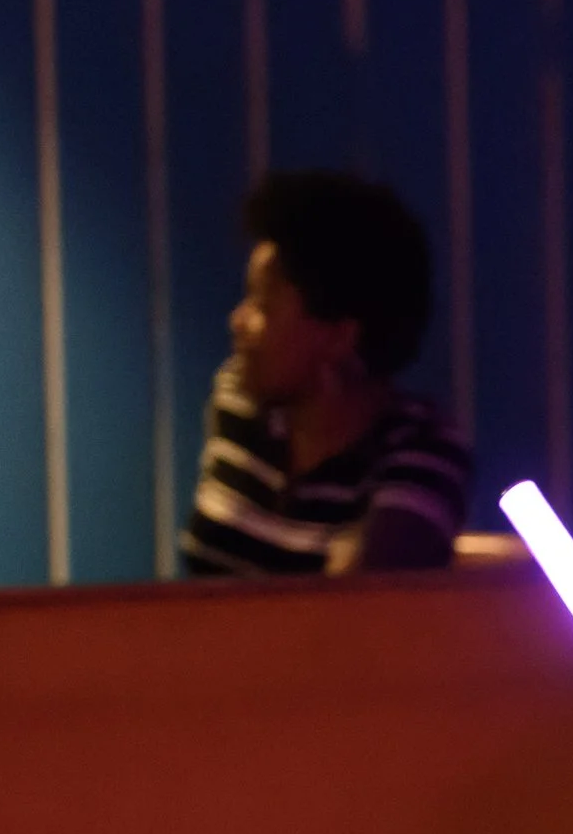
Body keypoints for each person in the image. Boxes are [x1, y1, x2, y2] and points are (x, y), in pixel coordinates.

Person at [180, 171, 471, 577]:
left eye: (263, 305)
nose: (238, 320)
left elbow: (367, 605)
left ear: (339, 337)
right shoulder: (240, 402)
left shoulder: (422, 451)